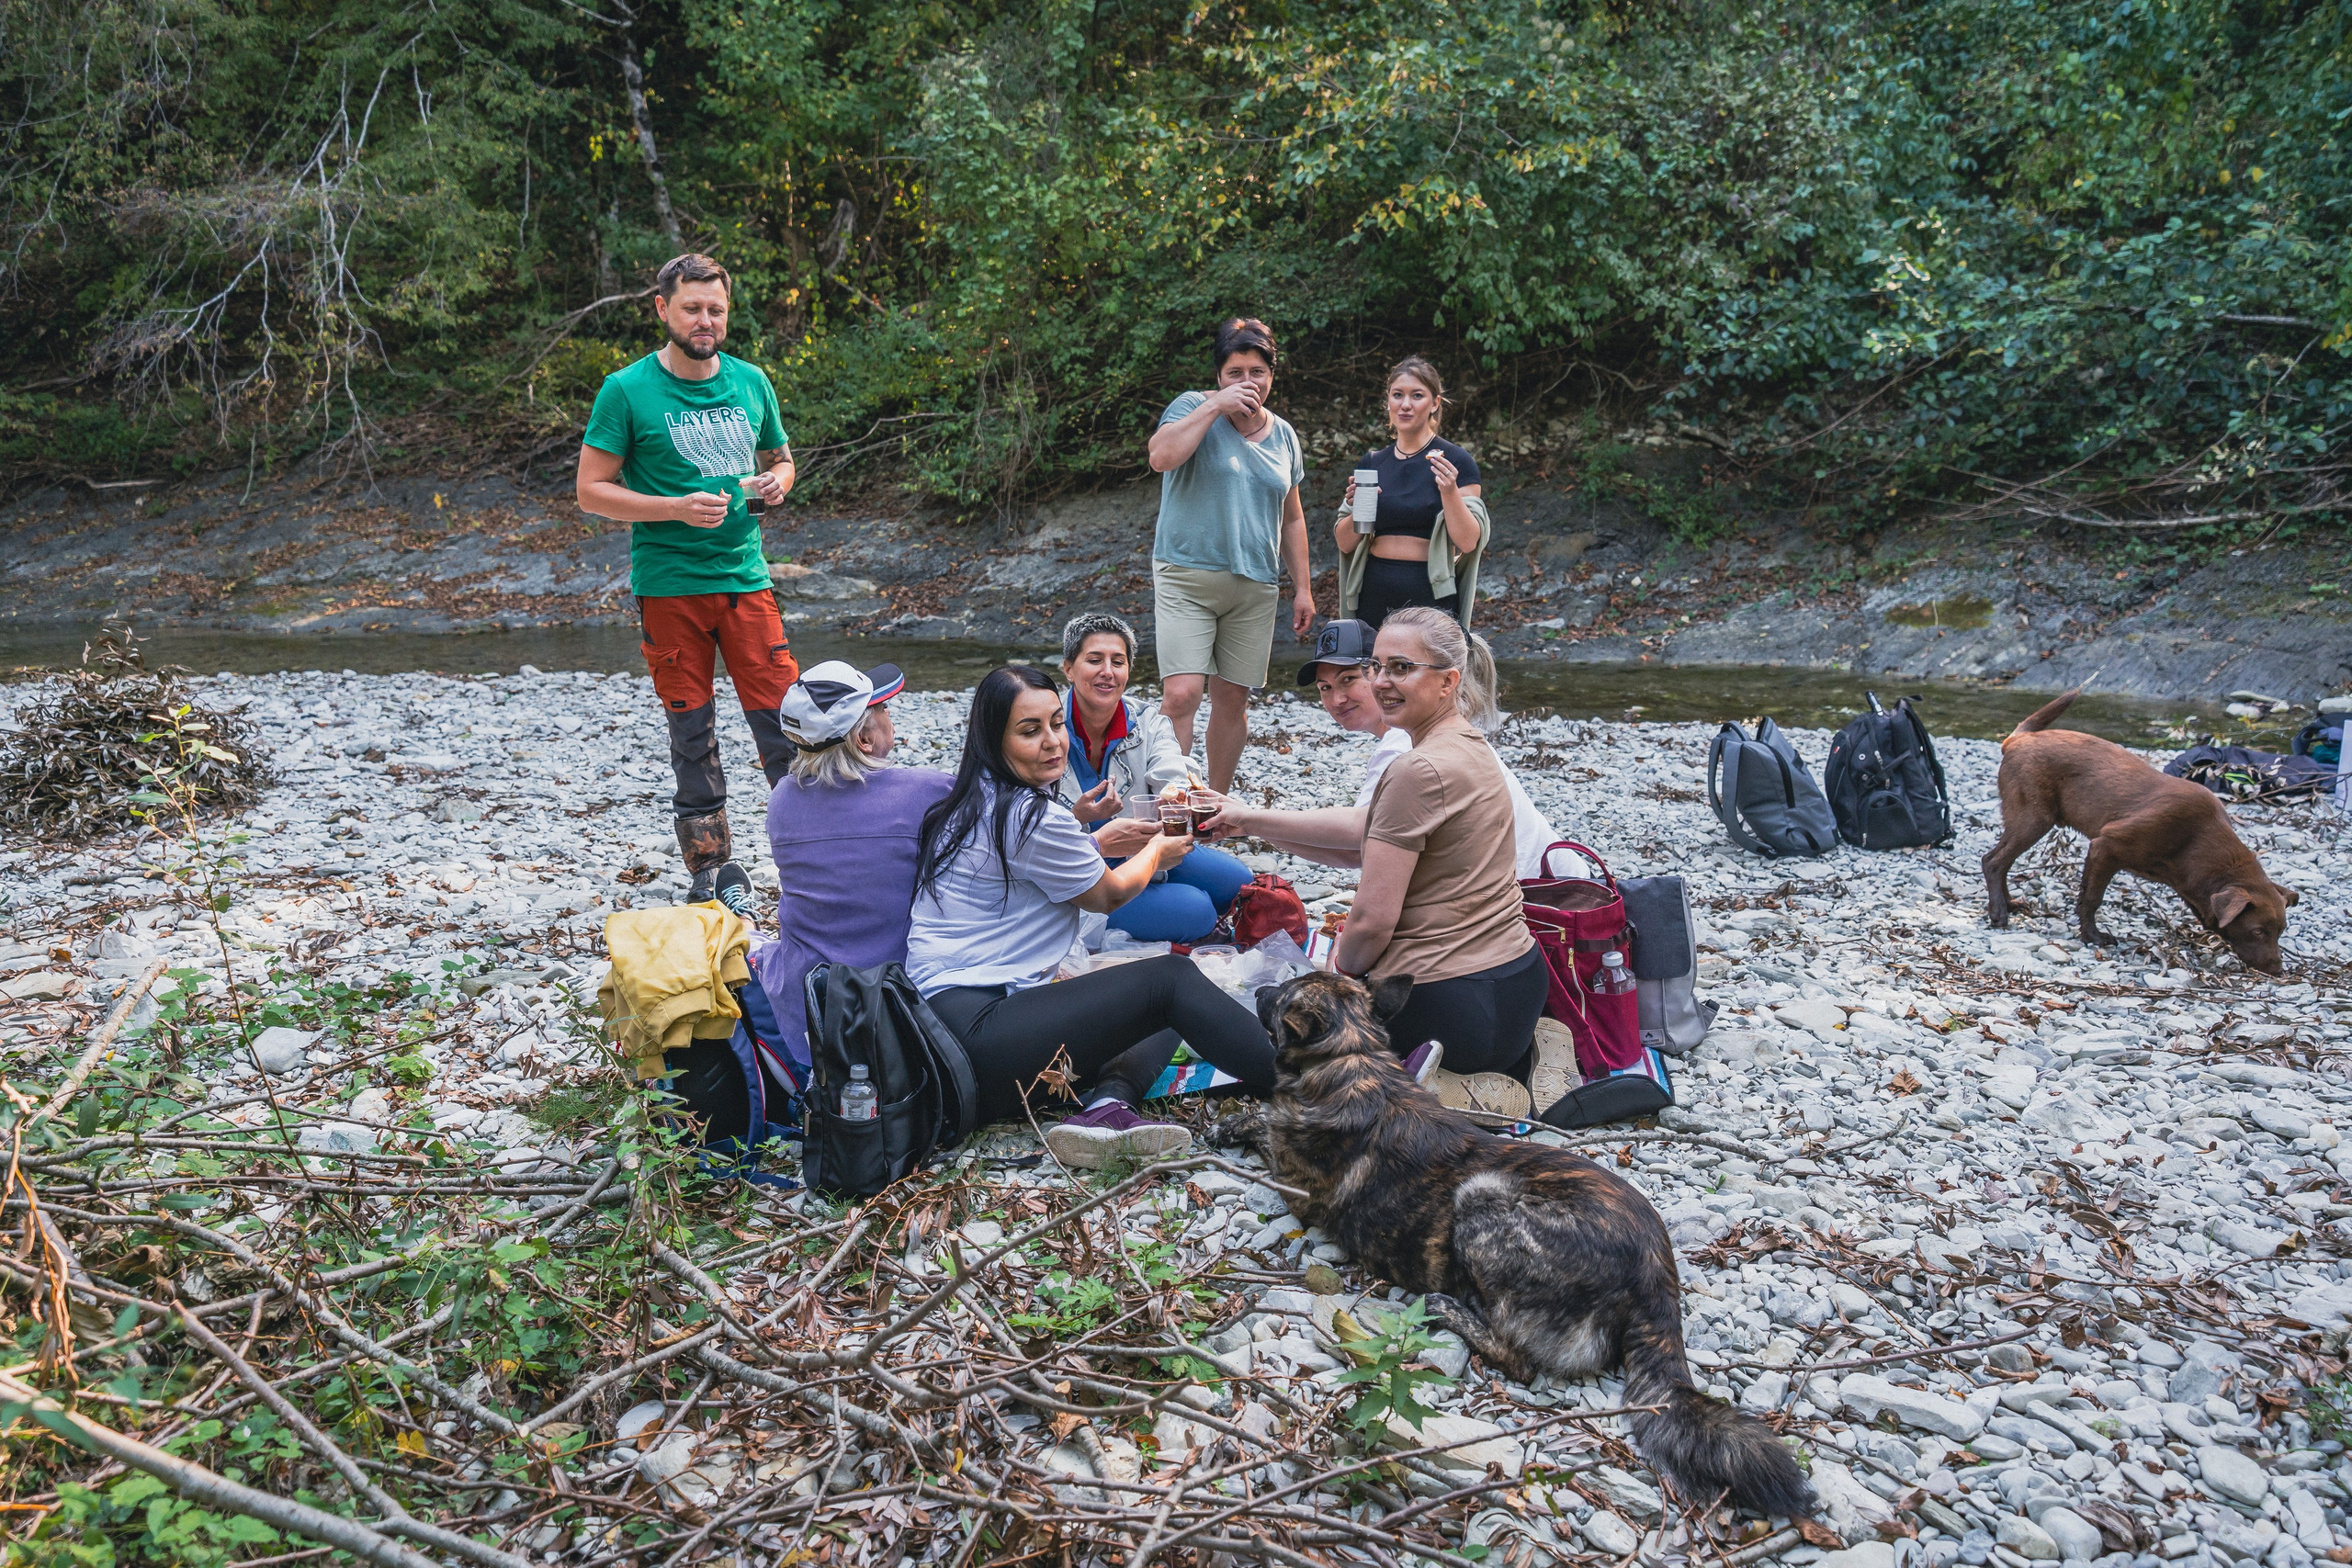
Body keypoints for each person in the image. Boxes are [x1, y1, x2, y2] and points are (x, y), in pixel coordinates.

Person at [904, 665, 1278, 1168]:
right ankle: (1319, 1085)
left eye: (1057, 724)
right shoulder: (1030, 814)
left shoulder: (972, 800)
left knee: (1152, 1002)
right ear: (994, 740)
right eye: (1029, 731)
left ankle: (1107, 1105)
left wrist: (1092, 837)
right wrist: (1158, 851)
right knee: (1171, 979)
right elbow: (1109, 895)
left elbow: (1032, 866)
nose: (1053, 742)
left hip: (941, 1030)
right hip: (974, 1039)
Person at [1200, 607, 1545, 1079]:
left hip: (1456, 1013)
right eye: (1378, 667)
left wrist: (1338, 967)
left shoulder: (1415, 768)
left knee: (1267, 1010)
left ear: (1449, 682)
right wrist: (1251, 825)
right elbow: (1365, 845)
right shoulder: (1467, 741)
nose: (1382, 681)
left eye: (1401, 668)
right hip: (1515, 988)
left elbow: (1371, 921)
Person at [577, 252, 797, 920]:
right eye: (693, 308)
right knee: (691, 730)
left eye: (716, 310)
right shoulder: (626, 389)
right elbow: (591, 491)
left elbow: (783, 462)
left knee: (787, 723)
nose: (706, 321)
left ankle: (813, 847)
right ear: (662, 309)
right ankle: (713, 868)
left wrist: (774, 488)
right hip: (669, 587)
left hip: (745, 580)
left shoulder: (751, 381)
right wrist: (672, 506)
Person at [754, 660, 949, 1088]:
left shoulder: (783, 800)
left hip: (807, 1014)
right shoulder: (926, 790)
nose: (889, 716)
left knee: (750, 940)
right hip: (898, 1005)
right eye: (883, 709)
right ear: (863, 738)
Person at [1146, 317, 1316, 794]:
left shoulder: (1284, 435)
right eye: (1235, 372)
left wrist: (1302, 588)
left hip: (1255, 585)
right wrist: (1214, 407)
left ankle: (1216, 806)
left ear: (1272, 375)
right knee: (1181, 695)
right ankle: (1170, 804)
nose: (1247, 382)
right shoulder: (1192, 407)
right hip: (1186, 574)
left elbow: (1292, 518)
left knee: (1232, 700)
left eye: (1257, 371)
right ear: (1219, 375)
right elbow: (1161, 457)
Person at [1056, 612, 1253, 942]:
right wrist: (1078, 820)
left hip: (1145, 847)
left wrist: (1176, 794)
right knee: (1198, 911)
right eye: (1094, 660)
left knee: (1239, 883)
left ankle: (1160, 895)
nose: (1107, 672)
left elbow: (1171, 763)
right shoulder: (1049, 728)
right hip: (1081, 870)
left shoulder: (1146, 720)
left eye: (1118, 662)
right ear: (1069, 669)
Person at [1334, 357, 1488, 628]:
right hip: (1373, 590)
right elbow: (1345, 543)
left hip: (1430, 595)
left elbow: (1467, 542)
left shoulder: (1457, 461)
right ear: (1389, 401)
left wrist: (1449, 491)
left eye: (1417, 396)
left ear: (1435, 403)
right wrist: (1360, 507)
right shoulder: (1372, 462)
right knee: (1373, 671)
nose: (1406, 405)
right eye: (1398, 395)